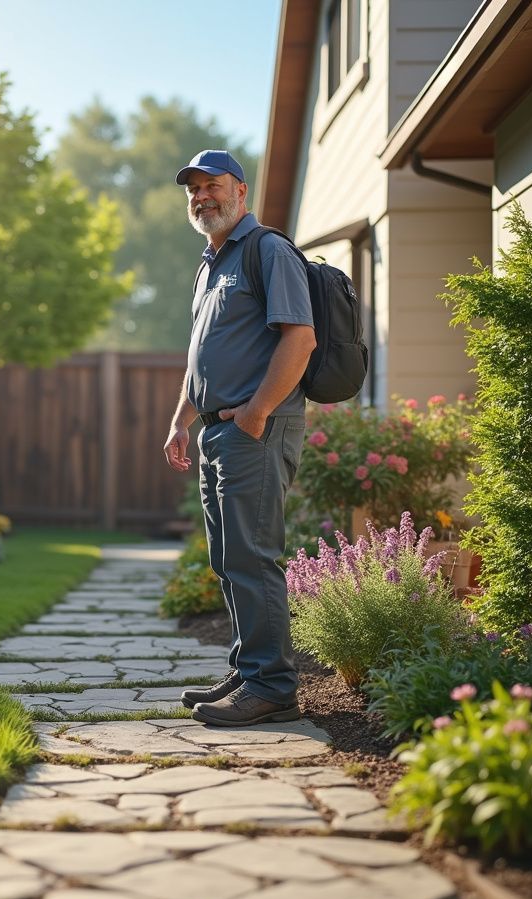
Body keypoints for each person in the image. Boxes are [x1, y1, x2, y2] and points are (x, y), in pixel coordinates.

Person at [163, 149, 316, 727]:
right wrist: (181, 420)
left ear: (242, 191)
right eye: (193, 190)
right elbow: (198, 356)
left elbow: (298, 340)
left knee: (253, 558)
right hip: (216, 431)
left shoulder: (268, 251)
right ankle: (249, 669)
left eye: (213, 186)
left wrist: (255, 413)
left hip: (255, 430)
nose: (202, 197)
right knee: (229, 559)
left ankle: (272, 685)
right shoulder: (210, 263)